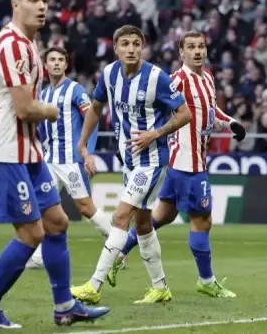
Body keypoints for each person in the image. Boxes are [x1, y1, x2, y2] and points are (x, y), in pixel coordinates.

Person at [0, 0, 109, 328]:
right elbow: (24, 109)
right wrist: (50, 110)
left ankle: (65, 307)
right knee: (32, 234)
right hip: (5, 152)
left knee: (57, 222)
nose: (43, 6)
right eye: (34, 0)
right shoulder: (14, 46)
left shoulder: (30, 45)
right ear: (17, 4)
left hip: (28, 151)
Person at [106, 30, 246, 298]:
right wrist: (139, 142)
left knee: (162, 216)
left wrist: (230, 123)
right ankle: (206, 280)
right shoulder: (177, 80)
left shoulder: (207, 78)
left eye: (201, 46)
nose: (197, 51)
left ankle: (119, 253)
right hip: (186, 163)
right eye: (191, 47)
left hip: (189, 162)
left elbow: (210, 110)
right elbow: (155, 112)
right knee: (202, 221)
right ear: (181, 52)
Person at [71, 25, 193, 304]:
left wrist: (156, 133)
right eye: (125, 44)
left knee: (120, 216)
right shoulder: (110, 74)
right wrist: (83, 143)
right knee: (143, 224)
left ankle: (94, 285)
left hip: (152, 161)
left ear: (143, 47)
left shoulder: (157, 78)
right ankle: (160, 287)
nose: (131, 49)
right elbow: (97, 107)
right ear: (115, 48)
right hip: (129, 160)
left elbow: (184, 113)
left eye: (136, 44)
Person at [26, 46, 112, 269]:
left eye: (60, 60)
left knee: (85, 207)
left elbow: (92, 120)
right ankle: (39, 255)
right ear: (46, 65)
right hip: (50, 161)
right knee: (42, 206)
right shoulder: (44, 94)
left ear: (66, 65)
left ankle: (117, 241)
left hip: (71, 160)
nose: (56, 63)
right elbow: (43, 129)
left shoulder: (75, 90)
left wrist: (87, 152)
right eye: (52, 60)